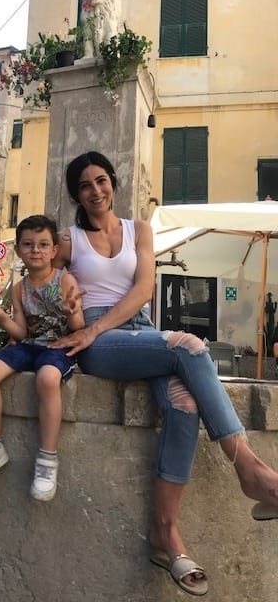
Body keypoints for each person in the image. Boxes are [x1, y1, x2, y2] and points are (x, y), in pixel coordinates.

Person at [50, 151, 278, 595]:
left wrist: (101, 324)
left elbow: (143, 290)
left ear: (113, 182)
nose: (95, 191)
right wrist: (72, 319)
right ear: (76, 194)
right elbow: (34, 282)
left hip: (139, 329)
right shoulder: (67, 241)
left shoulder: (140, 229)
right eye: (84, 185)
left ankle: (165, 534)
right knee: (190, 345)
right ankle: (250, 470)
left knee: (184, 403)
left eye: (101, 180)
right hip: (98, 342)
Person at [0, 215, 85, 502]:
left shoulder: (64, 280)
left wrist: (72, 312)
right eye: (28, 244)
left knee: (48, 378)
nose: (36, 250)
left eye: (43, 244)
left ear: (54, 250)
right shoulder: (19, 288)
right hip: (30, 345)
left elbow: (78, 328)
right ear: (18, 250)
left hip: (59, 347)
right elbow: (21, 331)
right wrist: (1, 317)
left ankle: (47, 460)